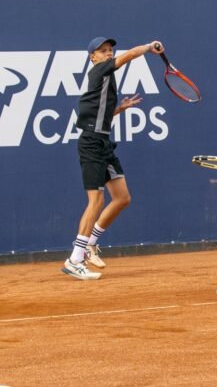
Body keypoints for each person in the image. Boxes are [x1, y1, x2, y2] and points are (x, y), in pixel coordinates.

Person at [61, 36, 164, 280]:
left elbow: (98, 114)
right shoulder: (99, 70)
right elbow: (127, 57)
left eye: (110, 50)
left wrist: (119, 108)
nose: (108, 54)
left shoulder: (105, 82)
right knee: (96, 201)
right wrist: (149, 48)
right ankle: (74, 259)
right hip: (91, 144)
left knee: (122, 198)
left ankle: (90, 243)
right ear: (93, 58)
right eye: (103, 51)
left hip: (103, 143)